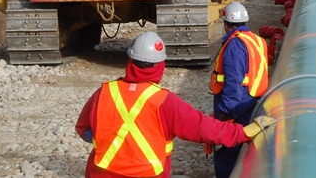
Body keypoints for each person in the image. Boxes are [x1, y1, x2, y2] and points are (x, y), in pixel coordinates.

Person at [75, 31, 275, 178]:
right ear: (160, 66)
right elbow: (205, 129)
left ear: (130, 61)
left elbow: (83, 129)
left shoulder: (105, 92)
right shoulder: (164, 101)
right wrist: (244, 132)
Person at [209, 2, 269, 178]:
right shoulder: (256, 40)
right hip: (254, 102)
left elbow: (233, 81)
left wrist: (224, 115)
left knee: (228, 152)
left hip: (236, 107)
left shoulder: (235, 44)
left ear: (226, 24)